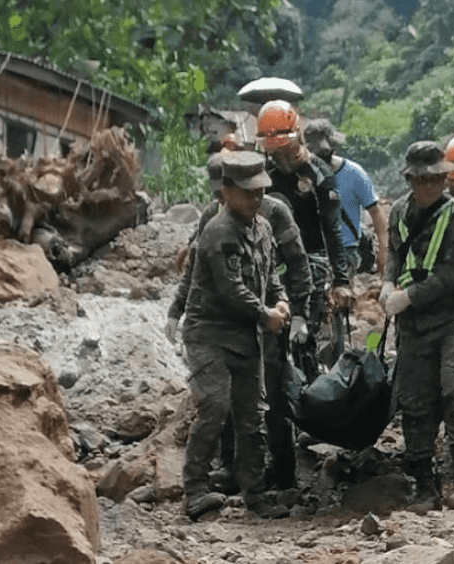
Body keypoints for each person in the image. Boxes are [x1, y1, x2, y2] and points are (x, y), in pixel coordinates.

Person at [166, 152, 313, 496]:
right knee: (218, 407)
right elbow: (226, 286)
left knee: (264, 408)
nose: (256, 197)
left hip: (256, 330)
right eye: (247, 191)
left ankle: (270, 481)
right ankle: (207, 485)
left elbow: (288, 266)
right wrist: (176, 309)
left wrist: (292, 308)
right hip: (218, 332)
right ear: (224, 190)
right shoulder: (216, 226)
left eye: (259, 190)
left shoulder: (269, 219)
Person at [379, 141, 454, 513]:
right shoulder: (399, 212)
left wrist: (409, 296)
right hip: (416, 323)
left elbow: (453, 276)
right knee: (415, 400)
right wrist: (388, 284)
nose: (426, 188)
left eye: (433, 181)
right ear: (409, 180)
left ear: (444, 179)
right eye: (419, 181)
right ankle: (423, 483)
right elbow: (394, 253)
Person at [257, 100, 353, 372]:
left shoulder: (319, 175)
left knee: (306, 340)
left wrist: (341, 280)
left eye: (283, 147)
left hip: (313, 264)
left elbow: (333, 230)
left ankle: (313, 390)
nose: (279, 155)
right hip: (274, 265)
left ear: (296, 136)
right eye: (273, 149)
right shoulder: (265, 175)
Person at [303, 118, 388, 278]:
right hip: (312, 253)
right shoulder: (301, 175)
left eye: (326, 155)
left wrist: (383, 251)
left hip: (346, 251)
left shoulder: (354, 173)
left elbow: (376, 212)